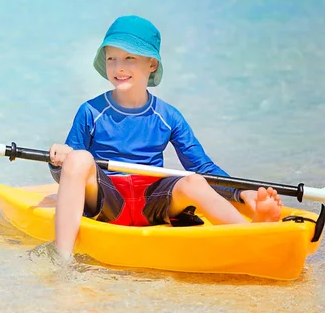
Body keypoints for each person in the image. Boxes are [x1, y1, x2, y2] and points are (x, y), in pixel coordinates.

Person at [48, 15, 283, 260]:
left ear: (151, 64)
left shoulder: (167, 116)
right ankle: (62, 258)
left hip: (153, 201)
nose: (118, 67)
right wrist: (58, 159)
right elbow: (71, 173)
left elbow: (202, 167)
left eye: (130, 58)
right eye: (111, 58)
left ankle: (253, 234)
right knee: (79, 157)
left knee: (193, 181)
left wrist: (242, 193)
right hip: (108, 200)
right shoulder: (91, 111)